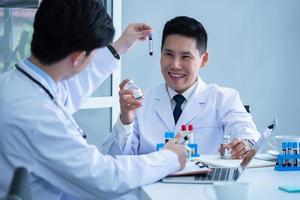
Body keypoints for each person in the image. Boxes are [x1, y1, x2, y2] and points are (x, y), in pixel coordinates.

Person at [0, 1, 187, 199]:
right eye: (94, 53)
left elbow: (67, 89)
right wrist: (170, 157)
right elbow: (105, 178)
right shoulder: (37, 116)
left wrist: (119, 47)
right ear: (79, 57)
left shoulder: (14, 84)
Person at [102, 16, 261, 159]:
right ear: (160, 54)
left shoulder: (224, 98)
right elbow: (114, 160)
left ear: (203, 60)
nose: (175, 65)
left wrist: (244, 145)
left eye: (185, 56)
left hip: (204, 189)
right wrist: (126, 119)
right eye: (169, 54)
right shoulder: (142, 101)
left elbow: (249, 136)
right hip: (152, 190)